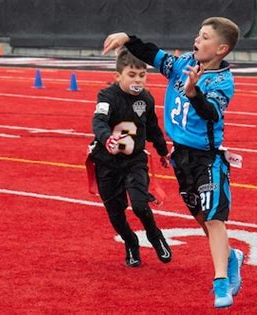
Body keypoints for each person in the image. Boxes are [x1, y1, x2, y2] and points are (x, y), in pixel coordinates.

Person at [102, 17, 244, 308]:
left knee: (215, 217)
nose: (197, 40)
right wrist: (127, 37)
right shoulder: (183, 65)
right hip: (181, 158)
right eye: (198, 35)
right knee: (203, 219)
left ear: (221, 48)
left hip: (207, 158)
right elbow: (153, 54)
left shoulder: (222, 81)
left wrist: (194, 94)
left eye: (205, 37)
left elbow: (210, 113)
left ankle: (220, 283)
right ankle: (231, 257)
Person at [88, 48, 172, 267]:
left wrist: (163, 151)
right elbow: (98, 122)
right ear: (118, 76)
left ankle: (155, 236)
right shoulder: (107, 96)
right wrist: (107, 138)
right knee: (115, 213)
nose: (138, 80)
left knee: (139, 205)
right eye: (132, 75)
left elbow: (152, 127)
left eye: (142, 75)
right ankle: (131, 242)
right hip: (107, 162)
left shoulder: (146, 99)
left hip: (134, 160)